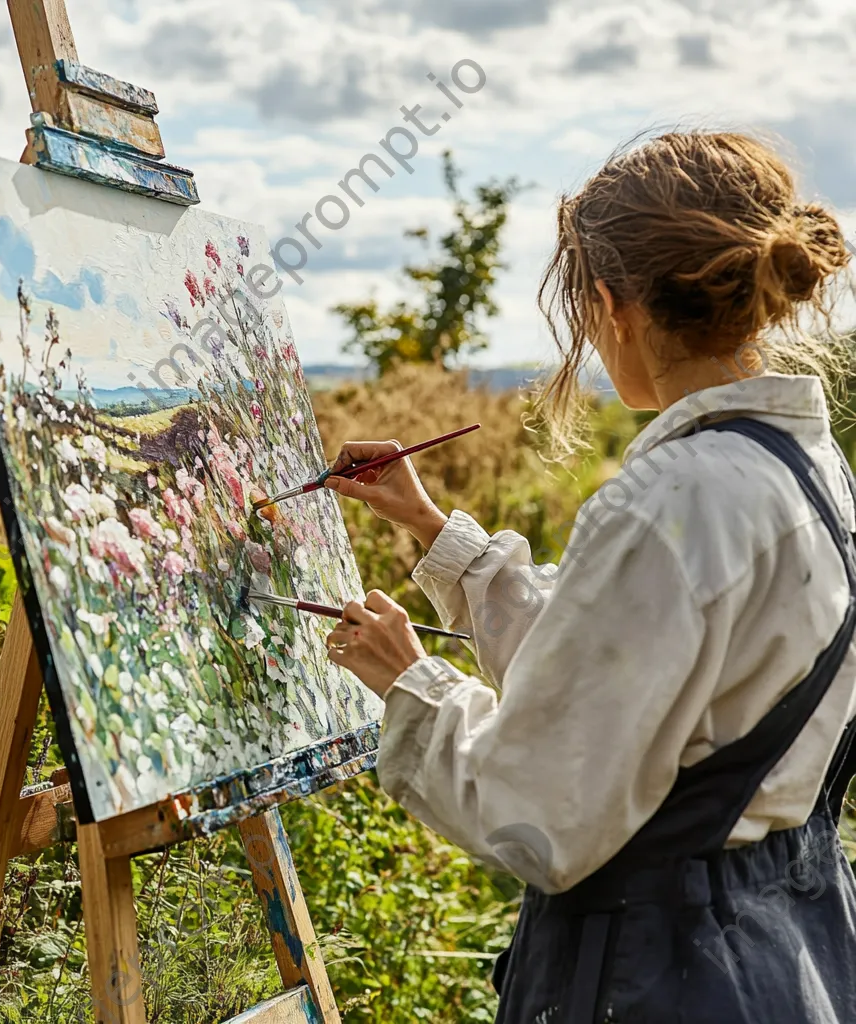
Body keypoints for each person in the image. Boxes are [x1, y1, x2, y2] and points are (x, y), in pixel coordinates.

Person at [321, 131, 856, 1023]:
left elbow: (537, 809)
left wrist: (409, 683)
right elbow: (627, 678)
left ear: (612, 304)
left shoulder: (668, 501)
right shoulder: (804, 470)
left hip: (665, 969)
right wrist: (429, 527)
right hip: (784, 945)